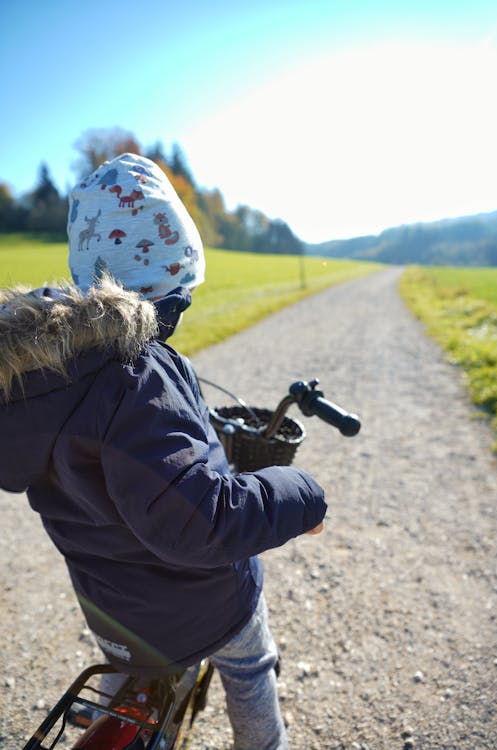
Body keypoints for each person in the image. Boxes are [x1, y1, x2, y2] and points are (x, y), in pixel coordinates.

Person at [0, 153, 326, 750]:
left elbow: (119, 450)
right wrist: (302, 495)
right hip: (202, 606)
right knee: (251, 666)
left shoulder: (36, 377)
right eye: (183, 295)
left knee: (130, 657)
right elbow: (205, 523)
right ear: (160, 292)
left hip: (112, 610)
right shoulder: (135, 373)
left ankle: (112, 705)